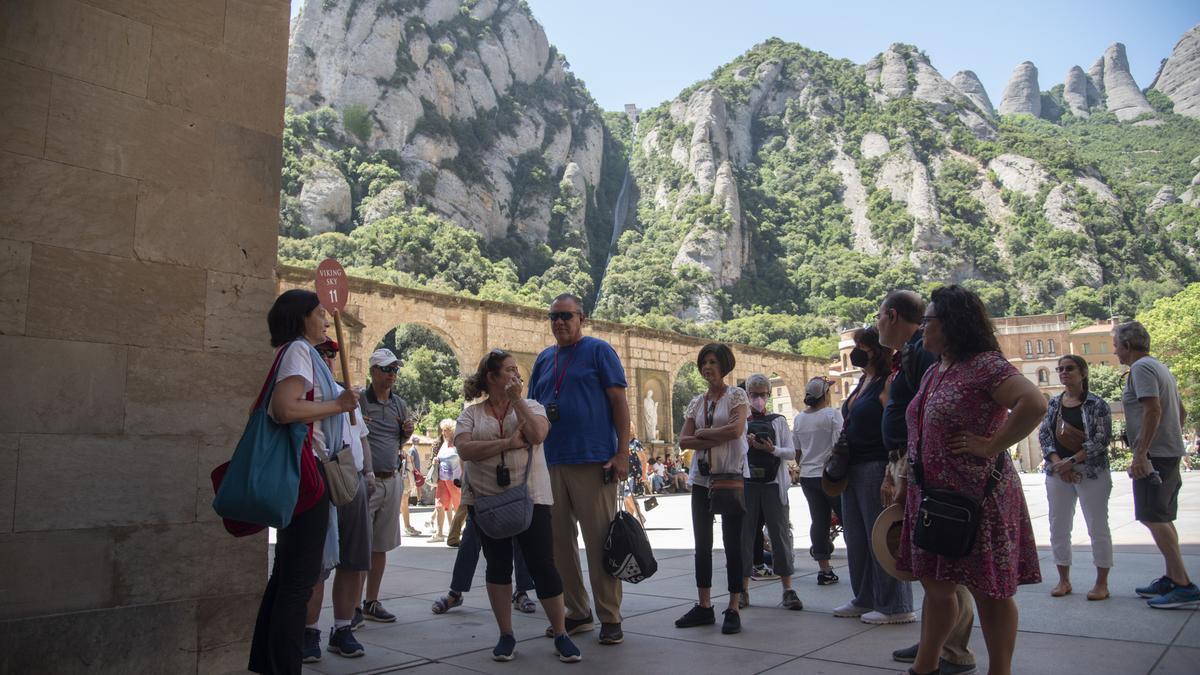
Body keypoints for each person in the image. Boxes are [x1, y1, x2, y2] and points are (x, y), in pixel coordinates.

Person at [895, 285, 1045, 675]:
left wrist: (991, 444)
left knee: (989, 592)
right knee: (936, 586)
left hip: (979, 498)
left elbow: (1035, 402)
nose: (922, 328)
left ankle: (1001, 671)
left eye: (928, 321)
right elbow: (919, 430)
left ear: (952, 325)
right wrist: (905, 479)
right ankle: (924, 667)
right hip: (934, 497)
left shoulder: (985, 365)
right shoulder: (934, 369)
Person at [249, 290, 358, 675]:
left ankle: (269, 662)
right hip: (306, 474)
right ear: (301, 319)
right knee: (298, 581)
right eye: (318, 313)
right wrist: (339, 404)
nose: (325, 318)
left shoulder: (299, 353)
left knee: (286, 577)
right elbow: (284, 408)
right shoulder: (298, 351)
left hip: (303, 473)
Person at [455, 349, 582, 662]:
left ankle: (561, 632)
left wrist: (518, 401)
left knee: (543, 564)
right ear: (492, 377)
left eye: (516, 370)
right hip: (486, 499)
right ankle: (506, 635)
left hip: (532, 496)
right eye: (509, 370)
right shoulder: (471, 413)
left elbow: (538, 434)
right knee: (497, 566)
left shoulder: (532, 406)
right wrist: (507, 444)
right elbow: (464, 448)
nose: (516, 375)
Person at [877, 290, 976, 674]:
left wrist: (909, 468)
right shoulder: (911, 354)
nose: (878, 324)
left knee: (943, 558)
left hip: (920, 463)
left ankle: (953, 649)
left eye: (879, 316)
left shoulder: (919, 353)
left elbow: (927, 412)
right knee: (930, 560)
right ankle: (935, 641)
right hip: (907, 459)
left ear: (892, 315)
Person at [527, 294, 631, 645]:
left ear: (581, 318)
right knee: (559, 545)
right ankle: (578, 612)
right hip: (551, 462)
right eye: (553, 316)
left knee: (600, 541)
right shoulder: (543, 359)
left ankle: (610, 615)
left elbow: (619, 402)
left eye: (566, 316)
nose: (559, 322)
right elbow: (533, 409)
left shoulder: (600, 351)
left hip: (593, 460)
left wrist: (622, 454)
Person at [834, 326, 915, 625]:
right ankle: (865, 596)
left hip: (875, 465)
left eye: (861, 347)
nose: (855, 352)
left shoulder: (887, 382)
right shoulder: (861, 382)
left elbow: (896, 425)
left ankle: (896, 604)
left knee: (881, 536)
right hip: (852, 467)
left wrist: (892, 472)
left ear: (875, 350)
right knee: (856, 538)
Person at [1114, 321, 1198, 608]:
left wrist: (1142, 453)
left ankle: (1184, 586)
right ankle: (1174, 577)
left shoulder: (1140, 369)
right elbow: (1181, 412)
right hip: (1168, 452)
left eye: (1116, 345)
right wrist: (1169, 439)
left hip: (1156, 456)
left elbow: (1153, 409)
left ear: (1127, 345)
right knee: (1162, 517)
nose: (1115, 351)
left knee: (1154, 518)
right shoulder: (1159, 367)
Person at [303, 340, 373, 662]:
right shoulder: (308, 396)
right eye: (322, 352)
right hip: (320, 479)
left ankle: (342, 628)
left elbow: (361, 438)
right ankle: (309, 631)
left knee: (353, 561)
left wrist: (368, 474)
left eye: (332, 352)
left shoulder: (350, 397)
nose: (329, 358)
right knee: (317, 564)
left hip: (353, 478)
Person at [674, 343, 749, 635]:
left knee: (732, 542)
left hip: (729, 475)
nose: (707, 367)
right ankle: (704, 605)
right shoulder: (696, 402)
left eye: (713, 362)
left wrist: (702, 434)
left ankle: (733, 605)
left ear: (724, 365)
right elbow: (684, 440)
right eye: (704, 362)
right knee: (702, 545)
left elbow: (737, 430)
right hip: (702, 479)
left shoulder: (737, 396)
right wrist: (710, 436)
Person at [1038, 354, 1114, 602]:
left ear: (1082, 372)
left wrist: (1071, 462)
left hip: (1091, 472)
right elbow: (1045, 436)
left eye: (1069, 368)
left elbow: (1100, 441)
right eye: (1059, 369)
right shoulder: (1053, 404)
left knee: (1097, 526)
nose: (1063, 373)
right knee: (1058, 525)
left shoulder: (1096, 404)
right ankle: (1063, 580)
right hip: (1058, 472)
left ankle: (1101, 583)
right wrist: (1058, 463)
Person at [357, 348, 413, 624]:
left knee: (379, 547)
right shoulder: (357, 402)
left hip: (391, 479)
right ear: (373, 372)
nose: (392, 374)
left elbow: (399, 439)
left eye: (395, 370)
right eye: (387, 369)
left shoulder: (399, 405)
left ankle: (371, 602)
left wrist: (407, 433)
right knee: (358, 546)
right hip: (364, 482)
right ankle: (352, 606)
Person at [740, 373, 802, 610]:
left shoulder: (778, 421)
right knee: (745, 536)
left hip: (774, 484)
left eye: (762, 394)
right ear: (748, 395)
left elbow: (790, 453)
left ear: (768, 395)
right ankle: (743, 589)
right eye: (754, 394)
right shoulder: (742, 422)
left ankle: (788, 588)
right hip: (748, 483)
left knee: (780, 534)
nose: (758, 399)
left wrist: (771, 448)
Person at [792, 376, 843, 586]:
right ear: (826, 395)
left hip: (808, 476)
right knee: (847, 519)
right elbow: (839, 446)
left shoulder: (799, 419)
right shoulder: (832, 415)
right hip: (830, 475)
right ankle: (863, 564)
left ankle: (824, 569)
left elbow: (797, 451)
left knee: (819, 521)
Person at [429, 419, 462, 543]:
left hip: (455, 480)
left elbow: (463, 459)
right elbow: (441, 457)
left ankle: (455, 533)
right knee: (439, 506)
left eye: (446, 430)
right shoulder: (444, 443)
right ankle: (439, 533)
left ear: (452, 430)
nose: (443, 433)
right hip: (442, 480)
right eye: (442, 430)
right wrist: (435, 460)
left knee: (458, 508)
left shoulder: (458, 443)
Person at [401, 437, 422, 537]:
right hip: (404, 481)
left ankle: (407, 526)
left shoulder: (405, 452)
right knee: (404, 504)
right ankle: (406, 526)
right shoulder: (407, 452)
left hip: (407, 481)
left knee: (405, 504)